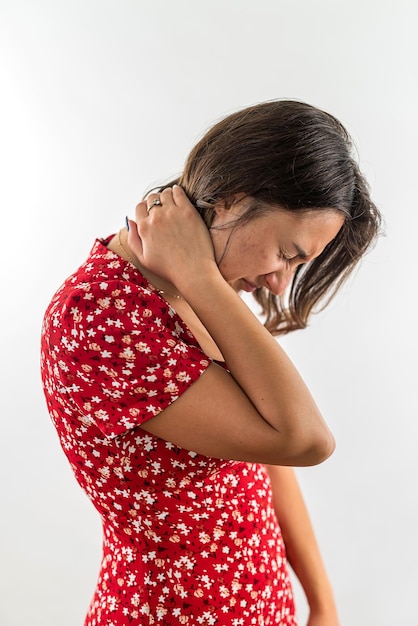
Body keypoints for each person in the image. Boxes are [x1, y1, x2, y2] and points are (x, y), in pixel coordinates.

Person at [40, 100, 381, 626]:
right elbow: (306, 440)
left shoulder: (198, 290)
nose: (279, 283)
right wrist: (200, 276)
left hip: (262, 602)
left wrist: (322, 604)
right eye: (287, 253)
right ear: (231, 199)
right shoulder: (101, 316)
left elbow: (261, 454)